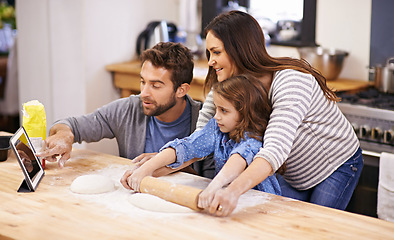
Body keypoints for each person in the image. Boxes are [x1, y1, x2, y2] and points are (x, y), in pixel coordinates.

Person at [192, 10, 362, 215]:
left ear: (240, 50)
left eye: (216, 52)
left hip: (335, 165)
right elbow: (202, 134)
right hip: (292, 171)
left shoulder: (291, 81)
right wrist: (163, 160)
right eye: (209, 53)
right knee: (279, 220)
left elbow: (274, 150)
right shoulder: (230, 83)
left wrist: (233, 191)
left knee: (314, 226)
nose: (210, 61)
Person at [37, 42, 214, 178]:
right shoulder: (129, 109)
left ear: (181, 90)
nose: (144, 93)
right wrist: (65, 135)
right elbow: (71, 125)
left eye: (156, 86)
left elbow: (211, 184)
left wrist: (168, 164)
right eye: (143, 81)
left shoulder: (205, 122)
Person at [121, 74, 281, 216]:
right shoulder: (218, 128)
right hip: (227, 202)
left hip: (261, 208)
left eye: (224, 111)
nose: (216, 116)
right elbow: (186, 147)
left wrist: (213, 188)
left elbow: (238, 160)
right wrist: (145, 170)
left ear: (245, 112)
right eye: (216, 109)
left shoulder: (253, 138)